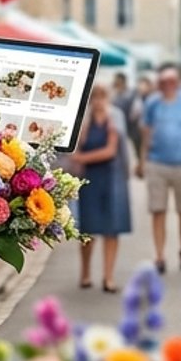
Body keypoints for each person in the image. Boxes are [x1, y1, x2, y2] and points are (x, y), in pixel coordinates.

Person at [136, 67, 181, 274]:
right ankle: (159, 255)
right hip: (157, 163)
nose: (167, 85)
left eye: (171, 81)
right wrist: (142, 161)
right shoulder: (152, 103)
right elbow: (146, 134)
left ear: (177, 82)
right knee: (158, 209)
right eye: (163, 81)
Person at [71, 87, 131, 292]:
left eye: (102, 97)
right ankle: (85, 272)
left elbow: (112, 150)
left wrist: (83, 158)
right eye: (94, 97)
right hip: (89, 179)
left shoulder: (114, 118)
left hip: (111, 177)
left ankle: (108, 276)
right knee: (88, 228)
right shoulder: (85, 120)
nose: (98, 101)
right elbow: (77, 147)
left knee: (111, 228)